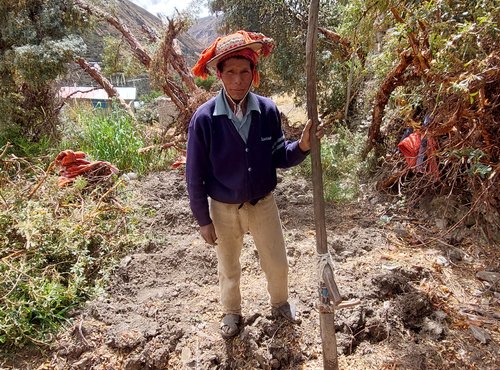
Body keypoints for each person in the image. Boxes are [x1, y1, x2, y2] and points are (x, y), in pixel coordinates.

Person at [187, 30, 323, 338]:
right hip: (223, 209)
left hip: (263, 204)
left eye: (244, 72)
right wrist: (202, 219)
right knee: (229, 267)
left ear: (253, 74)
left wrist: (300, 147)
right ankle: (232, 313)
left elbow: (278, 154)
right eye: (230, 72)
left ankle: (280, 304)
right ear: (219, 75)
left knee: (277, 262)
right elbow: (194, 174)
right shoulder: (204, 119)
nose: (237, 79)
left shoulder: (267, 110)